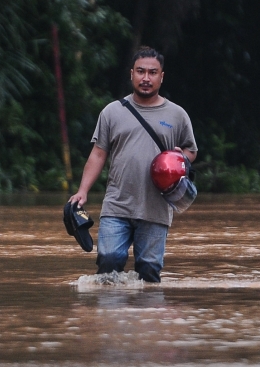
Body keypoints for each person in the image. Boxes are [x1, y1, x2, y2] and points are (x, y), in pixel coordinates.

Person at [68, 46, 197, 282]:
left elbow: (191, 150)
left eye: (152, 72)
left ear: (161, 77)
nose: (146, 78)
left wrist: (181, 158)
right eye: (140, 72)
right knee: (108, 264)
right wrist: (82, 191)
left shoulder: (177, 115)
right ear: (131, 74)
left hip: (156, 208)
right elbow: (98, 154)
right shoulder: (112, 112)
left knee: (149, 272)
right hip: (117, 205)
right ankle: (112, 318)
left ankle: (144, 318)